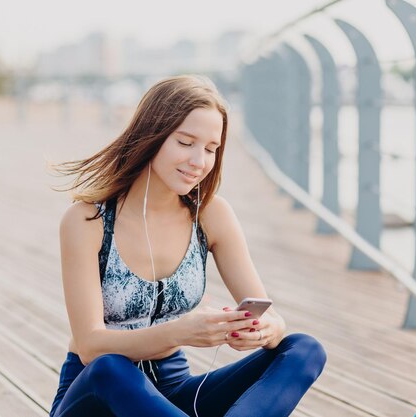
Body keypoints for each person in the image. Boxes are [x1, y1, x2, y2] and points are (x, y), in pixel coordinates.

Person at [48, 75, 326, 417]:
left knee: (304, 349)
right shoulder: (86, 221)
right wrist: (179, 332)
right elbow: (90, 346)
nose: (199, 161)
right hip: (98, 396)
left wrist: (266, 329)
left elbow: (268, 316)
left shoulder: (211, 215)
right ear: (151, 135)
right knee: (110, 367)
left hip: (174, 394)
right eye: (185, 142)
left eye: (211, 149)